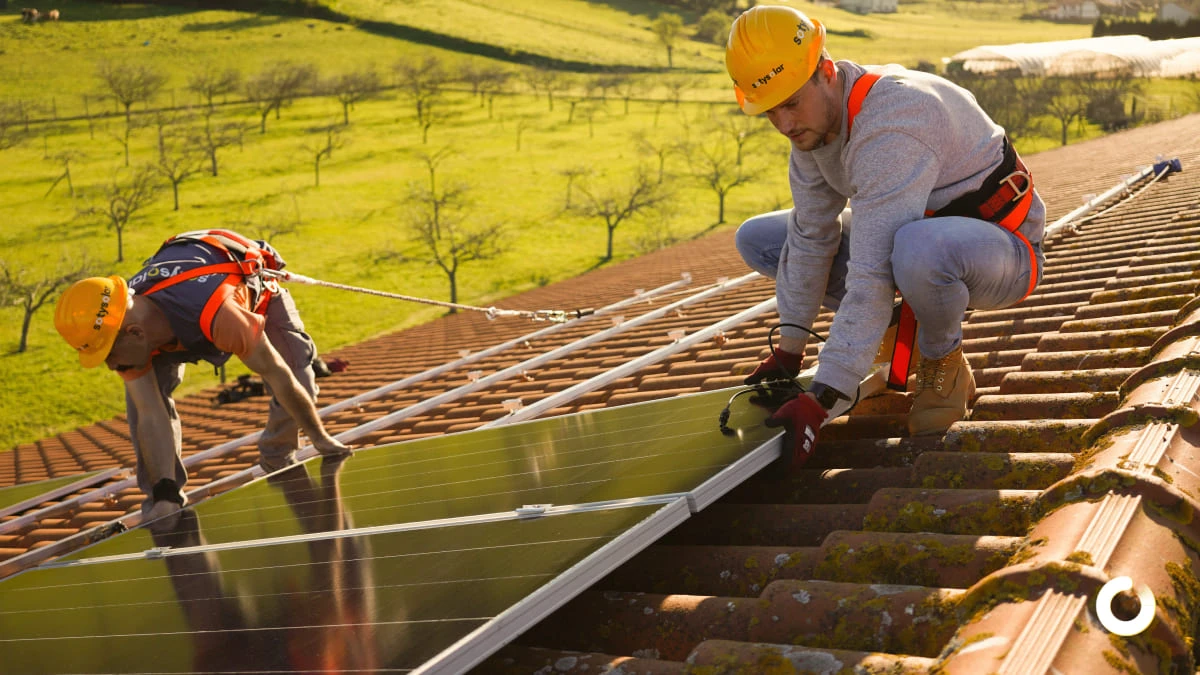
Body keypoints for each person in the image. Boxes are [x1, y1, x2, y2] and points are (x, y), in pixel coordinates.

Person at [727, 4, 1045, 466]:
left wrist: (824, 397)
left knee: (916, 250)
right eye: (770, 113)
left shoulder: (894, 120)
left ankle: (942, 362)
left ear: (827, 72)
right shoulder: (813, 133)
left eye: (791, 103)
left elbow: (873, 271)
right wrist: (790, 353)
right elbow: (812, 240)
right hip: (912, 235)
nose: (786, 125)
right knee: (761, 238)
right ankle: (896, 331)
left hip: (1002, 249)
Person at [54, 229, 351, 520]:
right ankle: (164, 498)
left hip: (247, 296)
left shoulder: (223, 315)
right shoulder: (125, 329)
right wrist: (165, 493)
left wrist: (320, 437)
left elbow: (278, 375)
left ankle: (278, 454)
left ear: (135, 332)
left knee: (297, 373)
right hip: (174, 321)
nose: (110, 365)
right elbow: (150, 413)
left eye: (109, 355)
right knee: (138, 408)